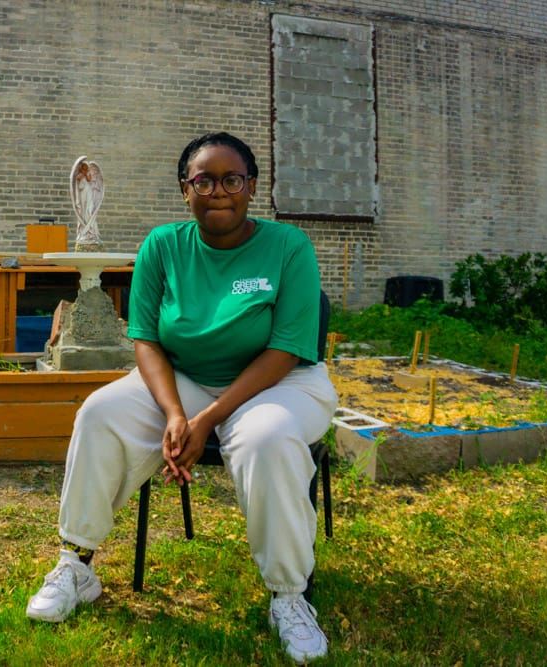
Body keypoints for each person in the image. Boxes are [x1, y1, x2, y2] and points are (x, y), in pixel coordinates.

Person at [26, 132, 338, 663]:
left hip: (282, 383)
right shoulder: (163, 245)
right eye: (204, 180)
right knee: (100, 412)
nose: (218, 191)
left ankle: (289, 596)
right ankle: (76, 564)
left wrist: (209, 419)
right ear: (184, 190)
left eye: (231, 179)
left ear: (252, 187)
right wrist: (175, 413)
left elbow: (286, 349)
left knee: (266, 438)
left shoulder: (289, 247)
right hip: (186, 378)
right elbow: (144, 338)